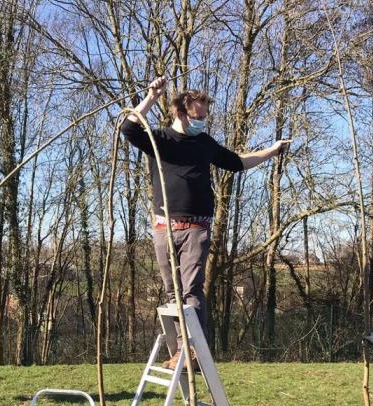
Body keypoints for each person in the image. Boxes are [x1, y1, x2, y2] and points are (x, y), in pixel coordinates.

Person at [121, 77, 291, 368]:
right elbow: (128, 127)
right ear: (180, 112)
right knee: (171, 292)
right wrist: (151, 96)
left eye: (205, 117)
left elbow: (237, 162)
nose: (202, 122)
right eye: (197, 117)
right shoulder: (159, 139)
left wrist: (272, 151)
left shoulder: (204, 143)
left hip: (196, 226)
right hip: (163, 226)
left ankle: (195, 352)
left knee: (191, 289)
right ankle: (179, 353)